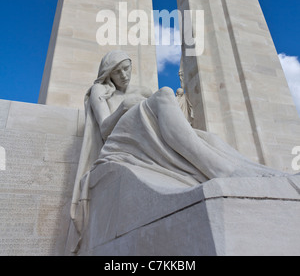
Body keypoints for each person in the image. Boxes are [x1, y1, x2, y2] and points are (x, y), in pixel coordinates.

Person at [70, 50, 288, 250]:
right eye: (117, 72)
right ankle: (221, 171)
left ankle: (247, 168)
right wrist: (123, 108)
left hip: (142, 134)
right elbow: (105, 129)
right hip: (119, 139)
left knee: (208, 138)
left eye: (126, 68)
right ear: (108, 74)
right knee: (164, 93)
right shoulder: (101, 90)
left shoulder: (142, 91)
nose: (123, 75)